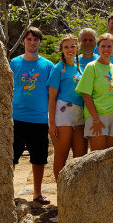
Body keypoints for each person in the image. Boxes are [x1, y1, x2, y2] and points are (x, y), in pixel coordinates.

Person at [10, 27, 54, 205]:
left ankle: (37, 193)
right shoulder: (14, 63)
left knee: (39, 159)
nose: (32, 43)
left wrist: (51, 119)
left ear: (39, 42)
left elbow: (52, 94)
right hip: (16, 118)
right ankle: (6, 193)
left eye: (35, 40)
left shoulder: (48, 66)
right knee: (11, 157)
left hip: (39, 119)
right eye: (29, 39)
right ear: (23, 42)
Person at [47, 34, 87, 181]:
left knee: (80, 155)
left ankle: (76, 191)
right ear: (61, 50)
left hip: (80, 113)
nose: (70, 50)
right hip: (63, 112)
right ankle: (60, 190)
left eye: (72, 46)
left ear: (77, 47)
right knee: (61, 155)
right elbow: (51, 97)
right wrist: (52, 123)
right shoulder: (58, 69)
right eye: (66, 47)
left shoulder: (81, 69)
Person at [76, 33, 113, 151]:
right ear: (97, 48)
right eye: (103, 46)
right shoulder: (91, 67)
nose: (106, 49)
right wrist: (96, 119)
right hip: (97, 115)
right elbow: (86, 95)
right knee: (98, 157)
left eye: (109, 46)